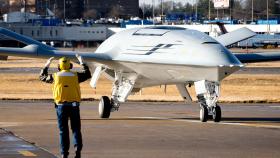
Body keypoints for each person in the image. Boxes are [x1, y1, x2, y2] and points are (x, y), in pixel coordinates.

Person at [40, 55, 91, 158]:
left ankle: (64, 154)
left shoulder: (55, 76)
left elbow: (42, 77)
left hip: (61, 106)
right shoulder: (75, 75)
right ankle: (77, 149)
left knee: (63, 131)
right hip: (74, 106)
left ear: (59, 67)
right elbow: (87, 74)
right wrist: (82, 62)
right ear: (70, 66)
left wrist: (47, 64)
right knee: (76, 129)